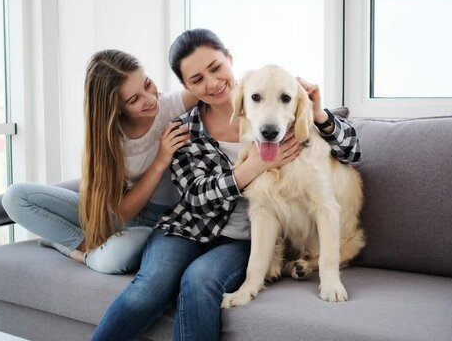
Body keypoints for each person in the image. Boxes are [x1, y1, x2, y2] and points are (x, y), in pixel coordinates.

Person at [92, 29, 361, 341]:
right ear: (186, 86)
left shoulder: (280, 110)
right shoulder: (185, 127)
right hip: (186, 229)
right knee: (149, 288)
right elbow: (194, 199)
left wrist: (319, 115)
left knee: (199, 281)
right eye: (197, 79)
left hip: (239, 238)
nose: (212, 82)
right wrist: (254, 166)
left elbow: (352, 151)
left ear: (229, 59)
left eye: (216, 68)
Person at [1, 49, 198, 274]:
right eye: (134, 99)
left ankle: (74, 249)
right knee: (15, 197)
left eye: (147, 84)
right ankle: (84, 247)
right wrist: (160, 161)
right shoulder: (108, 138)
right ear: (116, 108)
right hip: (122, 214)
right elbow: (121, 212)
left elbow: (217, 90)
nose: (150, 99)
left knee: (113, 260)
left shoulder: (170, 105)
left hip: (157, 223)